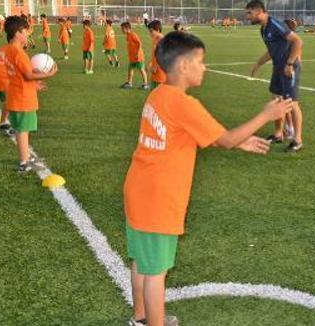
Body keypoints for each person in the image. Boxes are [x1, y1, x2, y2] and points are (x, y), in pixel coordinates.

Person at [123, 31, 294, 326]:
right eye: (201, 62)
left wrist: (239, 141)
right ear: (183, 66)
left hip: (139, 191)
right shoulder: (184, 104)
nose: (205, 68)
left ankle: (139, 317)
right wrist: (266, 115)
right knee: (156, 272)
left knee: (142, 260)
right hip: (159, 199)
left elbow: (206, 135)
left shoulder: (159, 94)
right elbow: (224, 139)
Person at [246, 0, 304, 152]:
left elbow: (298, 41)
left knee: (291, 103)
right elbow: (271, 51)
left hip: (288, 68)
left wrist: (290, 64)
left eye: (249, 13)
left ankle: (297, 140)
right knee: (277, 99)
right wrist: (258, 64)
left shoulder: (275, 24)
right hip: (278, 67)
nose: (247, 17)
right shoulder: (263, 29)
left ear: (259, 12)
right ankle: (279, 134)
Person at [3, 16, 58, 172]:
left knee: (22, 129)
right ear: (17, 33)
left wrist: (34, 84)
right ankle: (24, 163)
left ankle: (27, 157)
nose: (28, 34)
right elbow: (28, 75)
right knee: (22, 130)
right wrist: (48, 75)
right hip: (23, 98)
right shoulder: (19, 53)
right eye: (26, 31)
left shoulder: (9, 50)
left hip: (16, 94)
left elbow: (20, 75)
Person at [120, 22, 149, 90]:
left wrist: (137, 54)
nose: (122, 30)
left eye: (122, 29)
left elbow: (139, 44)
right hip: (132, 56)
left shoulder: (133, 35)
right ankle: (129, 83)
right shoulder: (128, 35)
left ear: (127, 28)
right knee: (130, 69)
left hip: (138, 57)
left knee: (141, 69)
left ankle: (145, 84)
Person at [147, 20, 167, 88]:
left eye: (151, 31)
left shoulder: (162, 40)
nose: (150, 33)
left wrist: (156, 66)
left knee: (160, 96)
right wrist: (150, 64)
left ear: (158, 30)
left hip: (161, 73)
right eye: (149, 31)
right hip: (155, 73)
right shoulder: (155, 39)